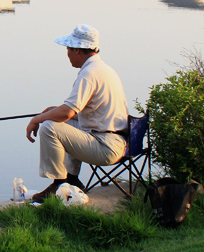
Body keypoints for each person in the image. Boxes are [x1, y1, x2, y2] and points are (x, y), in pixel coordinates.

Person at [25, 24, 128, 203]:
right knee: (59, 122)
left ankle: (60, 184)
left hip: (106, 147)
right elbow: (84, 113)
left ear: (77, 51)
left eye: (68, 49)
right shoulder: (104, 69)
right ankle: (72, 179)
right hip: (115, 140)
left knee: (50, 127)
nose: (67, 54)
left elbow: (67, 112)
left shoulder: (89, 74)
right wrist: (53, 111)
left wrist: (38, 119)